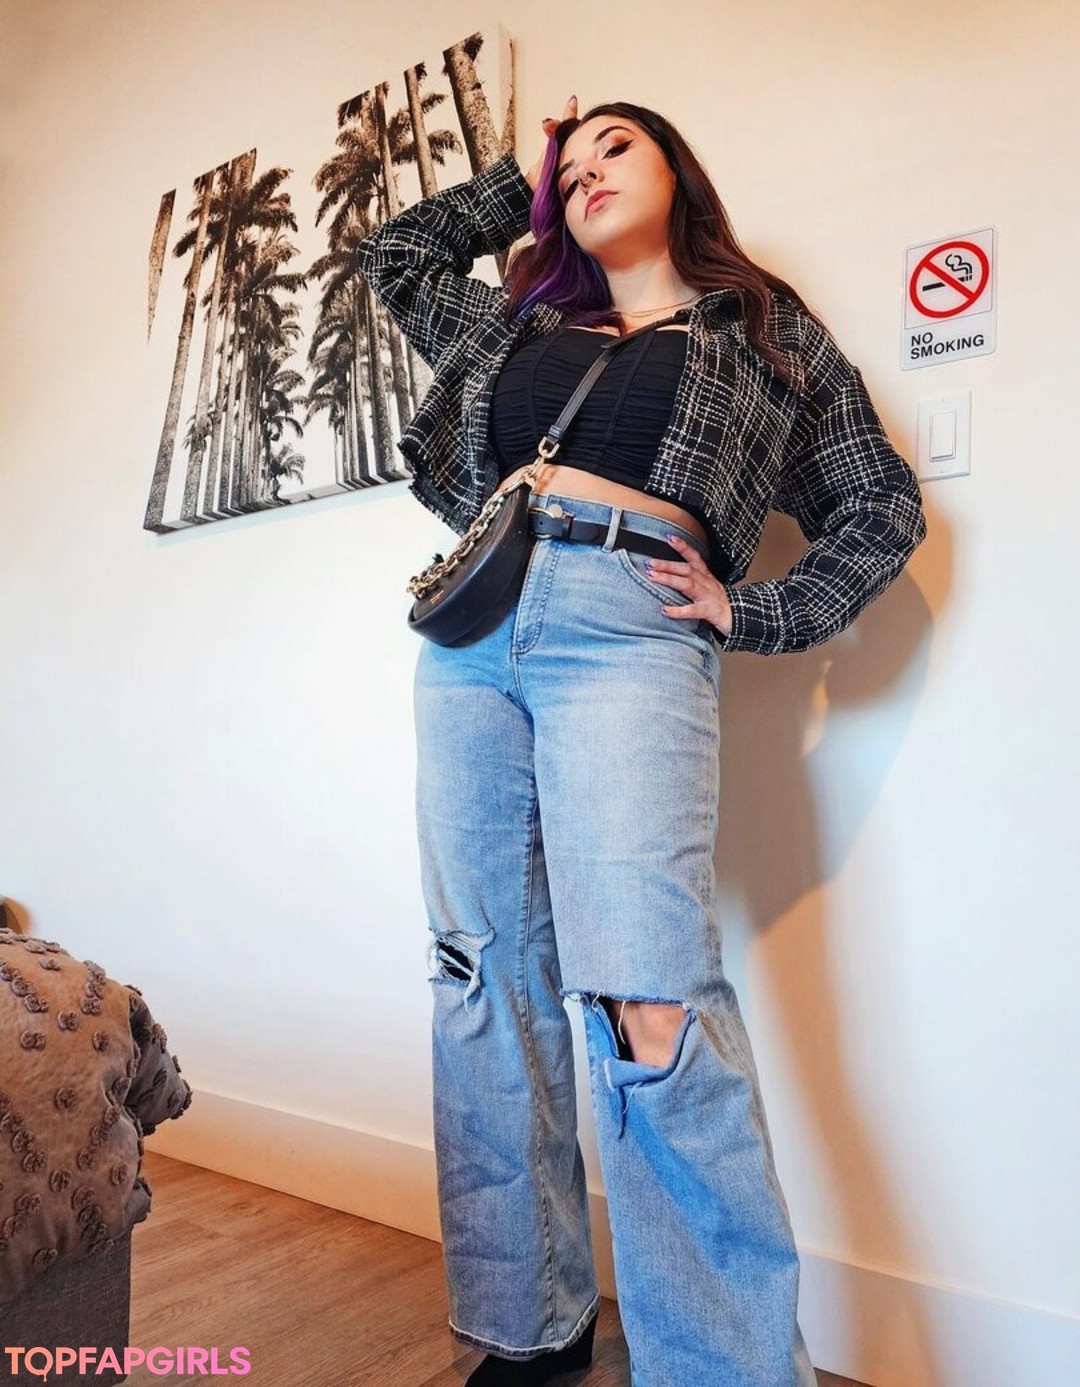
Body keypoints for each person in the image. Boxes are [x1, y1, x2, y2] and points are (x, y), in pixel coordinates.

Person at [355, 96, 926, 1387]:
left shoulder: (760, 331)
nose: (592, 171)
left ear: (681, 170)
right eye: (575, 165)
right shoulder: (521, 324)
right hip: (473, 637)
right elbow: (394, 257)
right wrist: (522, 176)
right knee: (479, 975)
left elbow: (881, 505)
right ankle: (530, 1328)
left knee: (648, 996)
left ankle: (722, 1367)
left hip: (630, 625)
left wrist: (756, 610)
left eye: (619, 146)